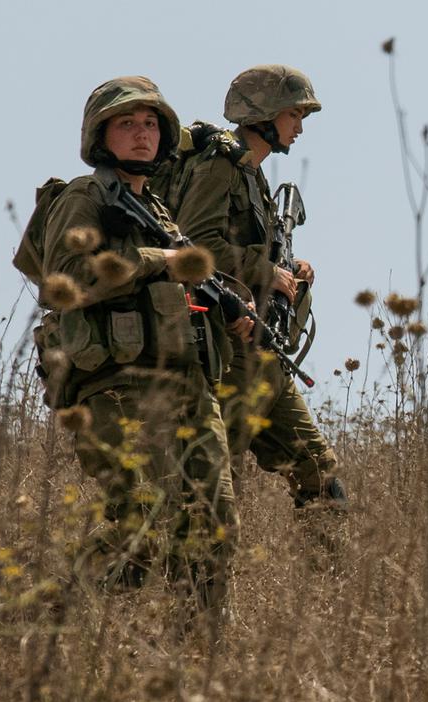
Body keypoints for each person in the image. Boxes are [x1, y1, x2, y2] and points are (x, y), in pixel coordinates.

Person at [19, 76, 239, 616]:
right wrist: (157, 261)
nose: (141, 134)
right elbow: (63, 279)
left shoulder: (161, 212)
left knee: (213, 522)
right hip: (116, 385)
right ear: (101, 134)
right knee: (142, 520)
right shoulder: (84, 195)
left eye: (149, 124)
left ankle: (202, 658)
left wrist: (228, 310)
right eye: (126, 123)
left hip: (187, 383)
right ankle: (32, 621)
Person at [158, 65, 346, 511]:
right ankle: (189, 575)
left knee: (320, 474)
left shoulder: (251, 172)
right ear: (264, 113)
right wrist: (263, 270)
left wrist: (290, 268)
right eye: (293, 114)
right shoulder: (219, 166)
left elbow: (245, 242)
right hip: (230, 347)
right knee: (216, 484)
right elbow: (196, 244)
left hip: (266, 349)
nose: (299, 127)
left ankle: (329, 583)